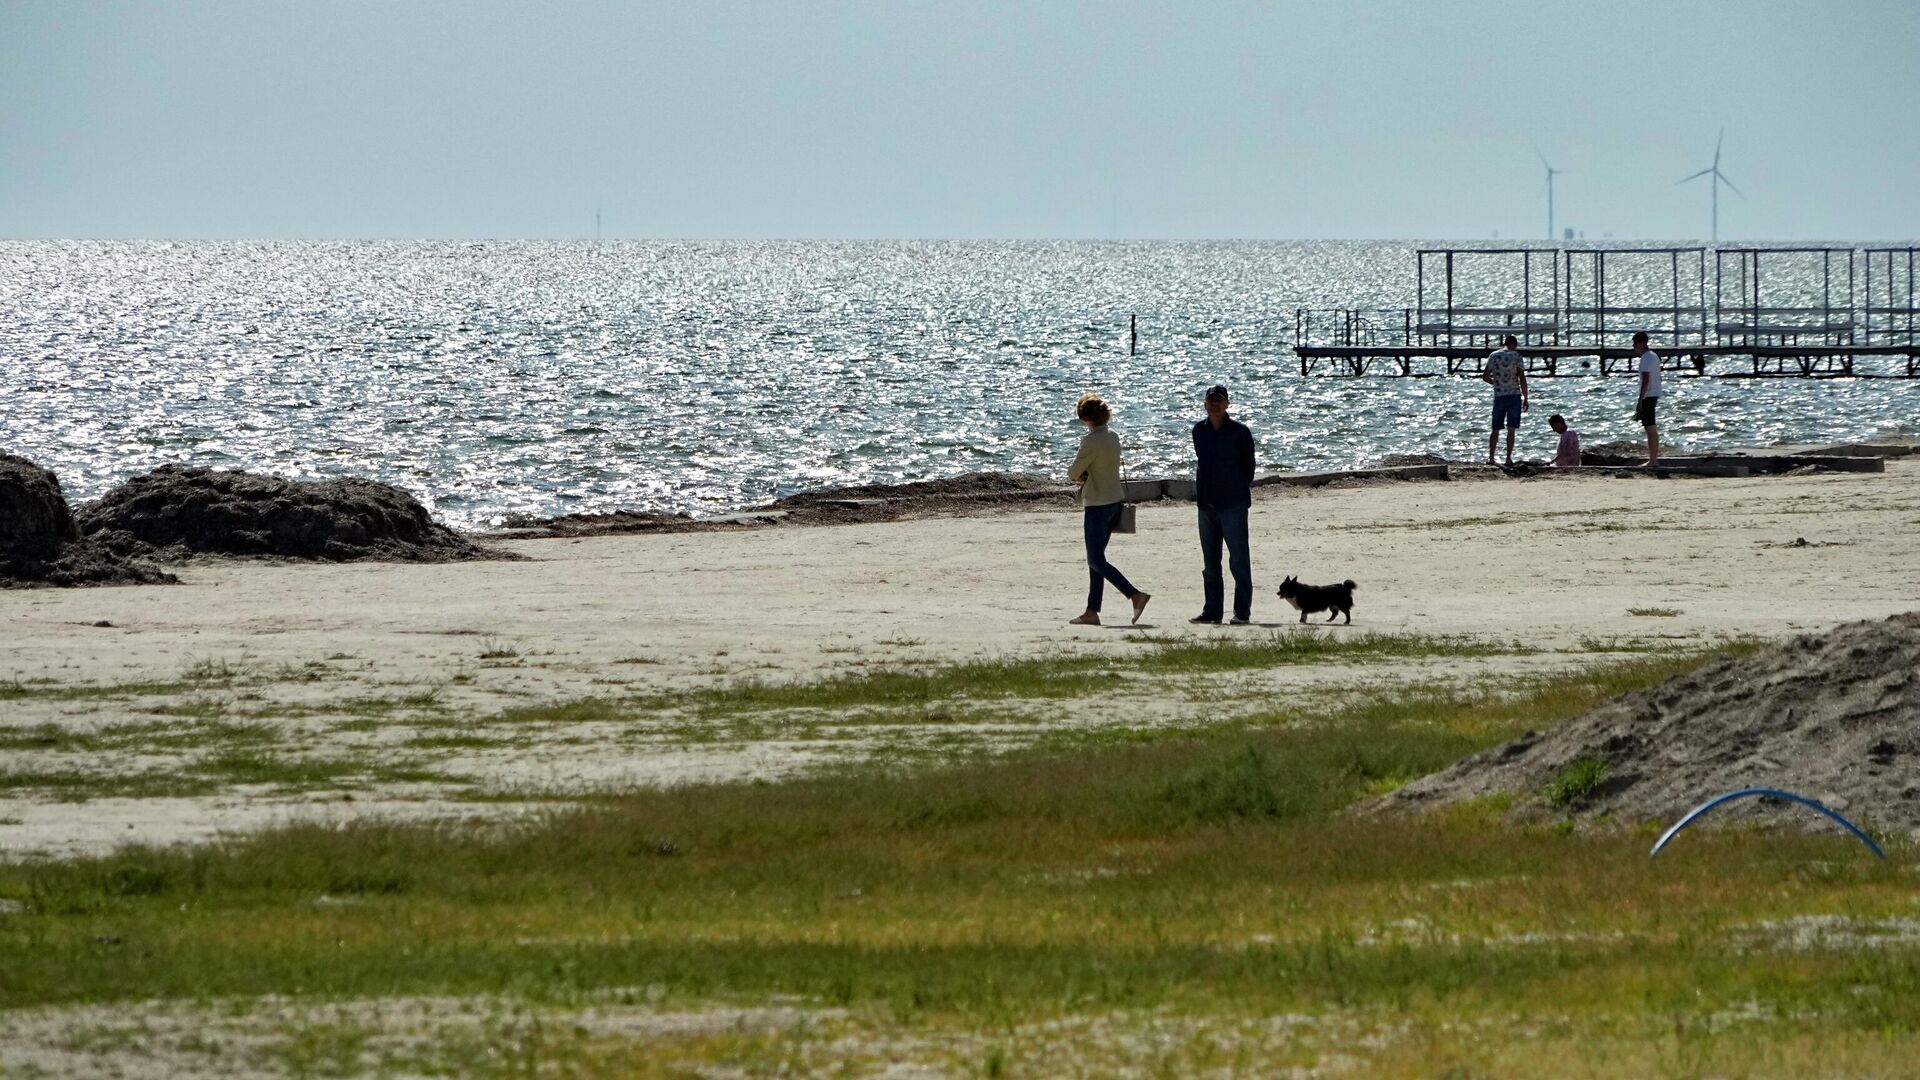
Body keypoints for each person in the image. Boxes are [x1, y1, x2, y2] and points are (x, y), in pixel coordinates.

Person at [1065, 392, 1148, 626]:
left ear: (1084, 418)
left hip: (1097, 504)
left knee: (1095, 560)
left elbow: (1073, 473)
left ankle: (1134, 594)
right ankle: (1092, 610)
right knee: (1097, 559)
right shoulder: (1113, 437)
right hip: (1114, 501)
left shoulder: (1090, 441)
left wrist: (1083, 473)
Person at [1190, 384, 1257, 625]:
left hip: (1233, 504)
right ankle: (1212, 610)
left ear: (1227, 404)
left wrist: (1235, 489)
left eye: (1219, 400)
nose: (1214, 404)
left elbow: (1249, 468)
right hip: (1206, 504)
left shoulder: (1240, 432)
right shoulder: (1199, 430)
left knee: (1238, 560)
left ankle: (1242, 612)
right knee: (1210, 563)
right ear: (1205, 403)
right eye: (1210, 400)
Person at [1481, 334, 1529, 466]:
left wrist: (1496, 384)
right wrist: (1526, 398)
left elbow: (1485, 376)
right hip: (1514, 395)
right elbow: (1522, 379)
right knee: (1511, 429)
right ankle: (1508, 458)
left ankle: (1491, 458)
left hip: (1499, 395)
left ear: (1504, 343)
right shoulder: (1517, 356)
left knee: (1495, 428)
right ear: (1515, 344)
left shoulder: (1493, 356)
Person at [1633, 331, 1662, 465]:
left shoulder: (1646, 358)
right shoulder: (1654, 356)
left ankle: (1653, 460)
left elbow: (1645, 380)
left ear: (1641, 343)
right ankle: (1653, 459)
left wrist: (1640, 400)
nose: (1634, 347)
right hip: (1654, 393)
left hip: (1648, 395)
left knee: (1650, 428)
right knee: (1650, 428)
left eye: (1635, 344)